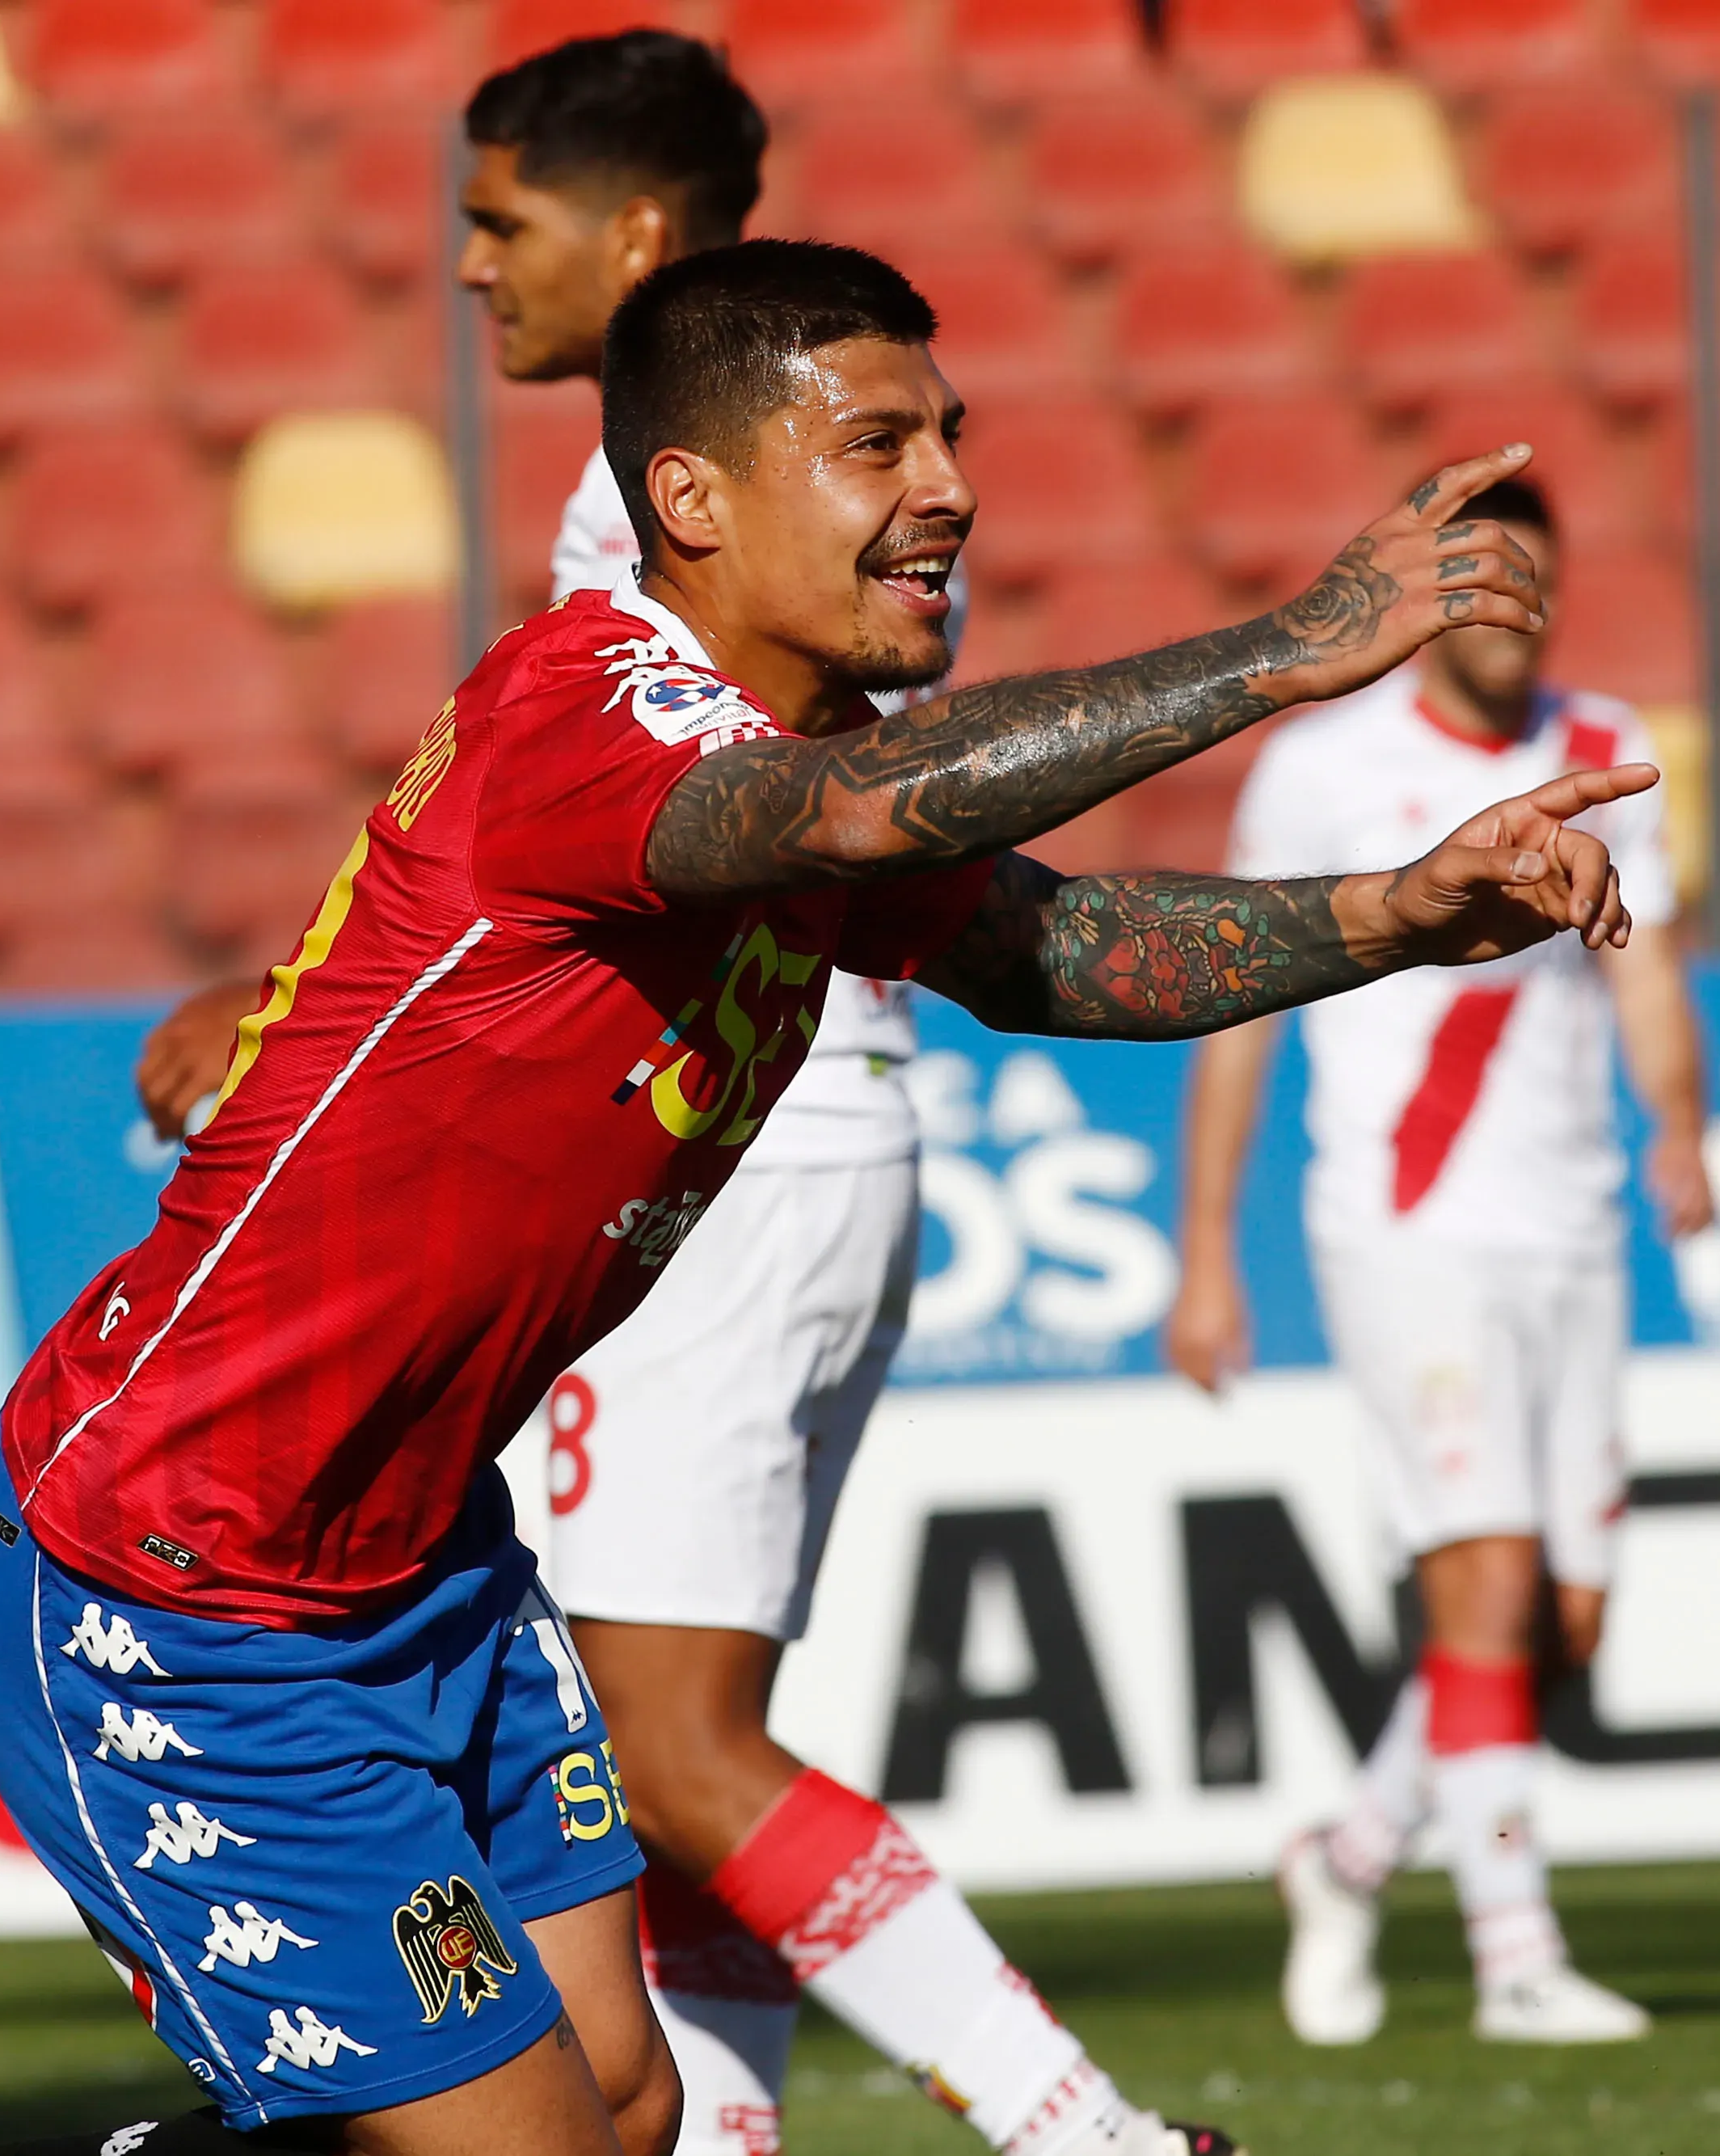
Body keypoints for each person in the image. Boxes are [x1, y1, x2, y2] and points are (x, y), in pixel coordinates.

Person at [0, 239, 1639, 2156]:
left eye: (949, 435)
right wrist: (1285, 650)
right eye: (877, 443)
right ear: (690, 500)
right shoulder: (595, 709)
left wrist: (1388, 917)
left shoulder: (812, 764)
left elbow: (1055, 948)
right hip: (173, 1565)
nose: (947, 486)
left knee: (624, 2110)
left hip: (415, 1565)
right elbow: (867, 821)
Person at [133, 37, 1202, 2156]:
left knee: (665, 1735)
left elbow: (695, 824)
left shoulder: (681, 497)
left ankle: (1078, 2127)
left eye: (501, 217)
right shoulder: (804, 481)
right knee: (685, 1744)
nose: (465, 266)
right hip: (809, 1109)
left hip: (728, 1132)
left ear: (634, 237)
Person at [1163, 475, 1710, 2049]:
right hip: (1404, 1224)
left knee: (1556, 1619)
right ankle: (1513, 1952)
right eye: (1478, 586)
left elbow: (1646, 963)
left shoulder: (1601, 753)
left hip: (1571, 1221)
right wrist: (1203, 1251)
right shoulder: (1325, 765)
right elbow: (1238, 999)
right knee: (1477, 1571)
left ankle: (1341, 1857)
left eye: (1529, 586)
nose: (1508, 613)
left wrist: (1676, 1128)